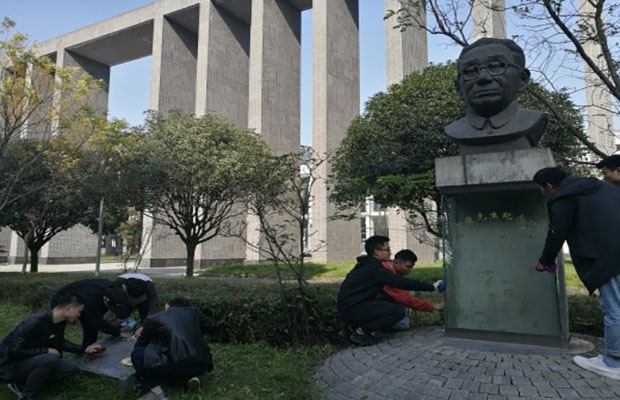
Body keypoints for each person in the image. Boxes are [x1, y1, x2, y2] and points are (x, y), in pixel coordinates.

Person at [533, 167, 620, 379]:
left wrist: (544, 261)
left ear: (549, 186)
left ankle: (614, 362)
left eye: (541, 189)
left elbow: (557, 231)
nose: (542, 193)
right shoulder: (604, 187)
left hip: (610, 258)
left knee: (614, 308)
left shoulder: (563, 196)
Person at [445, 38, 548, 155]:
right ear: (459, 88)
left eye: (495, 66)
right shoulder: (455, 129)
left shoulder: (532, 120)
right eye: (470, 71)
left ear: (522, 79)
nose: (483, 78)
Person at [337, 235, 440, 346]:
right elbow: (402, 283)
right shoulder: (375, 269)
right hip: (352, 309)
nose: (390, 253)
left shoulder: (368, 265)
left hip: (351, 307)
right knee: (397, 311)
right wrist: (431, 287)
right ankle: (361, 332)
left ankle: (351, 328)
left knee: (385, 298)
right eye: (387, 250)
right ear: (377, 252)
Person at [0, 293, 104, 400]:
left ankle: (21, 384)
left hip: (30, 360)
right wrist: (46, 350)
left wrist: (83, 349)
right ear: (70, 308)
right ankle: (28, 396)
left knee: (69, 368)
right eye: (79, 311)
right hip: (9, 366)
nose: (79, 315)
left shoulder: (60, 322)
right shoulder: (34, 322)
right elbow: (13, 351)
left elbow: (59, 342)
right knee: (49, 359)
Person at [129, 297, 213, 400]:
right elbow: (209, 325)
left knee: (137, 354)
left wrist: (154, 342)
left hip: (177, 367)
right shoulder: (193, 312)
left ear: (168, 305)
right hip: (202, 364)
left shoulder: (154, 319)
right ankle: (191, 377)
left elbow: (140, 345)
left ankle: (156, 393)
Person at [50, 279, 132, 351]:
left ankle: (89, 349)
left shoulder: (115, 289)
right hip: (63, 300)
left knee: (91, 328)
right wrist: (118, 333)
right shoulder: (91, 300)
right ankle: (55, 353)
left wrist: (121, 317)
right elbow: (97, 321)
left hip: (85, 297)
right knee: (56, 336)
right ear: (105, 299)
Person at [381, 250, 444, 331]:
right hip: (372, 307)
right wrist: (433, 306)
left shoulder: (391, 269)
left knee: (411, 293)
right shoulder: (387, 274)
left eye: (412, 267)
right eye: (408, 267)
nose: (410, 270)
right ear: (396, 262)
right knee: (403, 324)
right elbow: (404, 298)